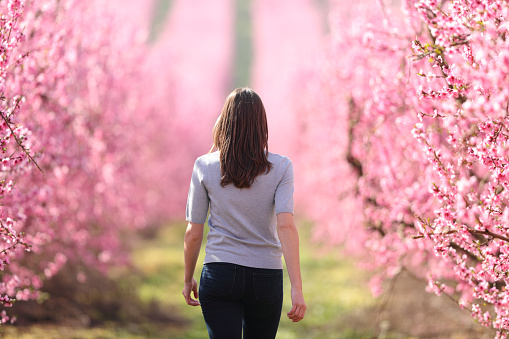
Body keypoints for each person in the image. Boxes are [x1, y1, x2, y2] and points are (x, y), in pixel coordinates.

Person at [182, 87, 306, 339]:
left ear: (225, 122)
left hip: (219, 272)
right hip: (266, 277)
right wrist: (297, 287)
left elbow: (194, 232)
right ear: (262, 125)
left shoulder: (204, 166)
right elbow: (286, 227)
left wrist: (188, 279)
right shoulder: (281, 167)